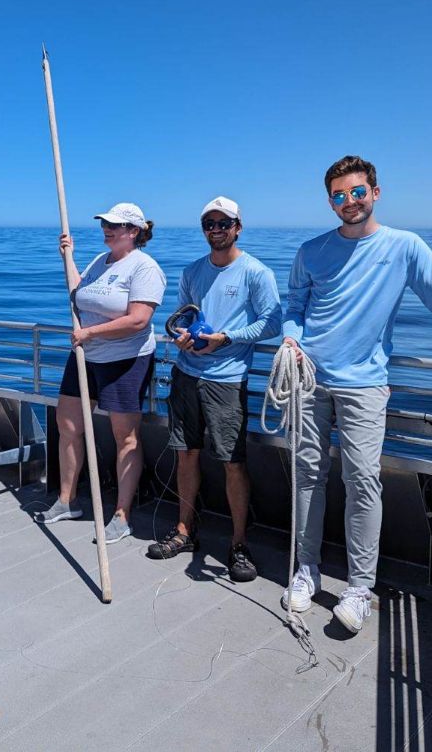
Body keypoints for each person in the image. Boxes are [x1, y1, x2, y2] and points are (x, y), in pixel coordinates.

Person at [281, 155, 432, 633]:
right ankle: (305, 569)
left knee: (363, 483)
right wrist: (291, 338)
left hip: (365, 386)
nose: (349, 202)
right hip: (309, 381)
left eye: (357, 192)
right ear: (329, 201)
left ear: (375, 192)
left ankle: (358, 587)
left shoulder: (405, 247)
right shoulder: (311, 251)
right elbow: (293, 307)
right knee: (307, 474)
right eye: (338, 195)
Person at [149, 197, 281, 581]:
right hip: (186, 374)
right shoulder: (191, 271)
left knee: (233, 462)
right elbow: (182, 319)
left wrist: (227, 338)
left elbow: (272, 324)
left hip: (227, 380)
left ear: (238, 226)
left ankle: (239, 543)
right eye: (209, 223)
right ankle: (184, 531)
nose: (216, 229)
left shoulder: (257, 273)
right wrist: (183, 339)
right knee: (185, 455)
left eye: (224, 223)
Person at [36, 202, 166, 544]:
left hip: (125, 360)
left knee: (126, 438)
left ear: (134, 231)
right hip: (84, 356)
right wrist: (69, 255)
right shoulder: (99, 261)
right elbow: (78, 291)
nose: (107, 228)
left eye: (115, 225)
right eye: (105, 223)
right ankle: (67, 500)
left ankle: (122, 515)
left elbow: (139, 319)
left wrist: (90, 334)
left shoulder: (144, 268)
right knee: (67, 425)